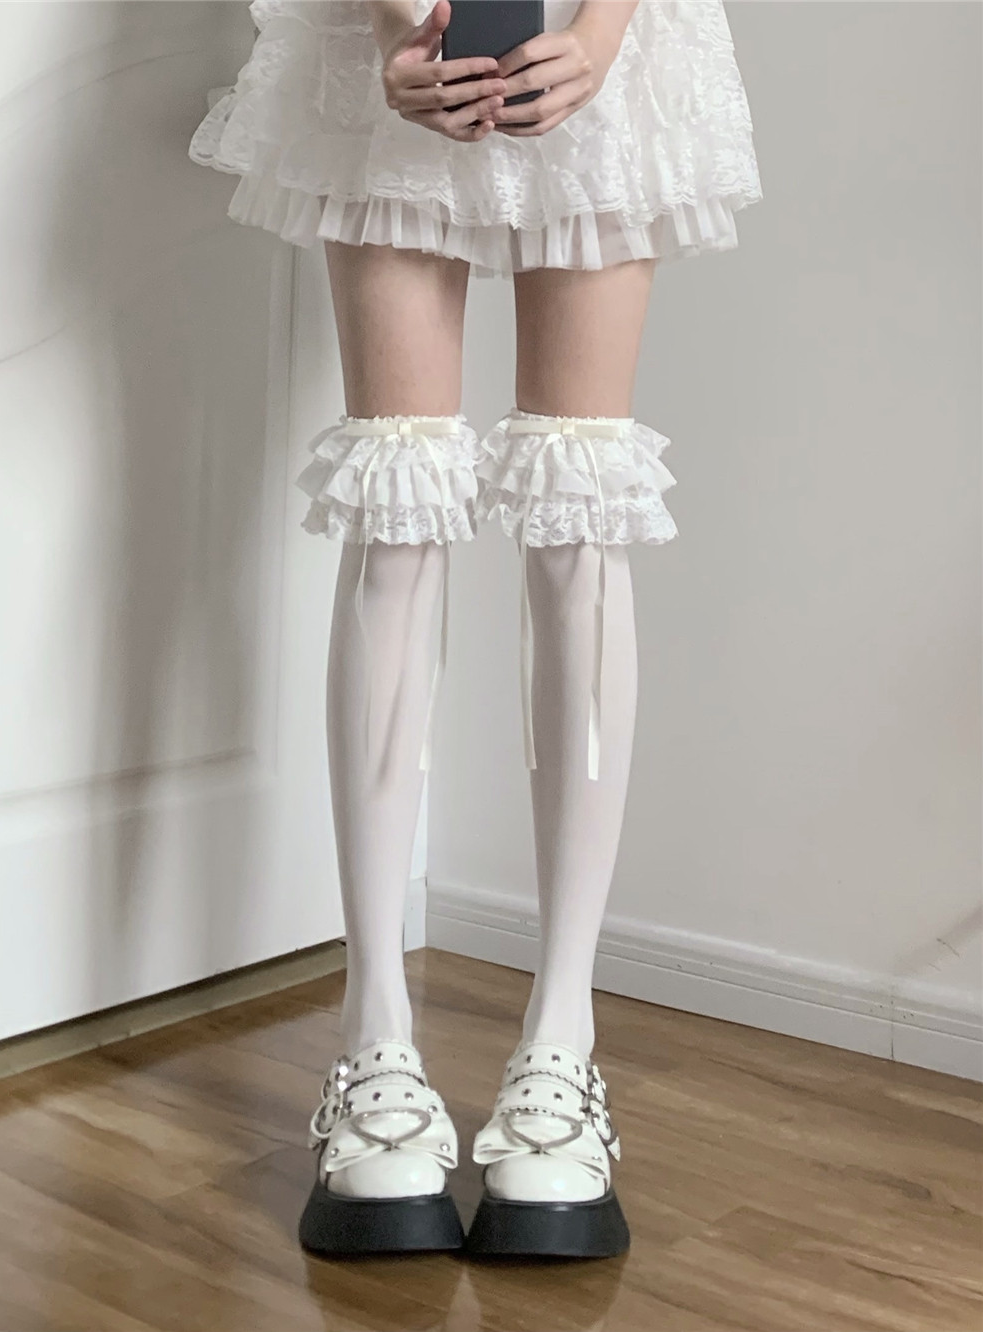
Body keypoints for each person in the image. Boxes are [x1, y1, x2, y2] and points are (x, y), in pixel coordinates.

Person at [189, 0, 762, 1259]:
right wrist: (395, 16)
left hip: (608, 44)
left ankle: (561, 1047)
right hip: (385, 49)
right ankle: (373, 1041)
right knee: (395, 506)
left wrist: (602, 30)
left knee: (579, 513)